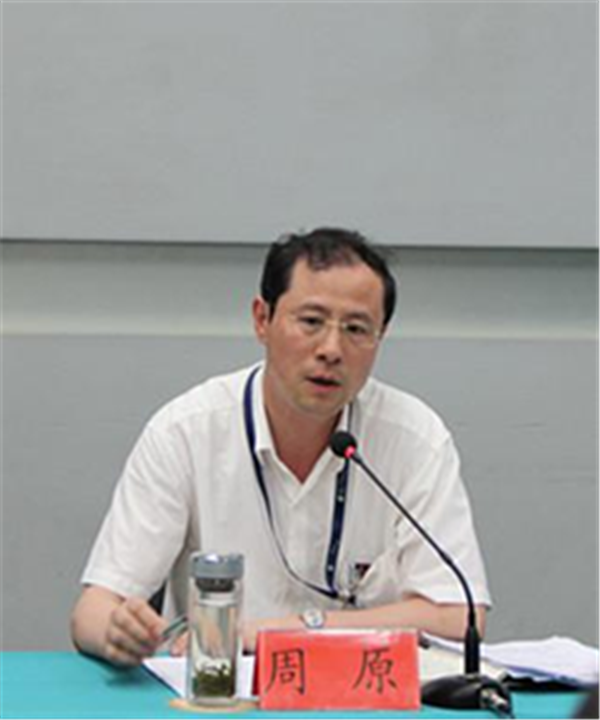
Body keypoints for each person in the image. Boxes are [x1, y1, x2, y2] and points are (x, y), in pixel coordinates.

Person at [71, 227, 491, 667]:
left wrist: (284, 632)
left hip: (364, 691)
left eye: (356, 329)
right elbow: (93, 611)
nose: (331, 349)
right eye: (311, 322)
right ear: (262, 319)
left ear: (380, 337)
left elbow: (458, 616)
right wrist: (116, 633)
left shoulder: (414, 439)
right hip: (224, 692)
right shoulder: (186, 432)